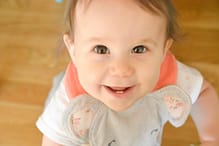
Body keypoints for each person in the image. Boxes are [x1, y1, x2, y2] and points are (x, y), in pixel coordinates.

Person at [36, 0, 219, 145]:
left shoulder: (168, 74)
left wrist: (211, 139)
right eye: (101, 49)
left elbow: (203, 93)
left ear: (164, 50)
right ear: (73, 50)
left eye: (139, 49)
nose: (121, 70)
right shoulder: (70, 99)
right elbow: (55, 140)